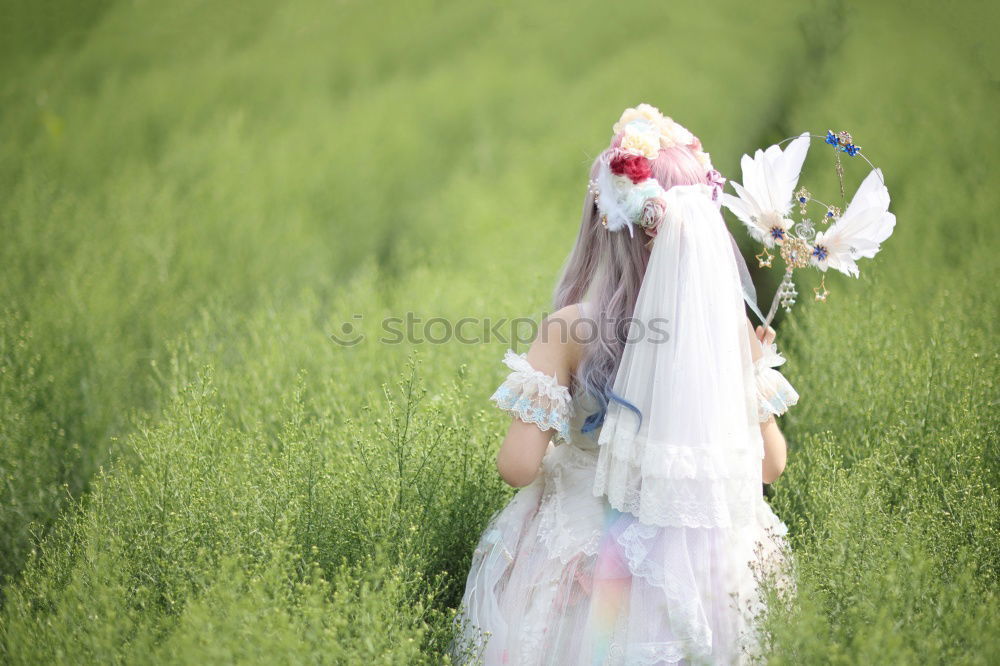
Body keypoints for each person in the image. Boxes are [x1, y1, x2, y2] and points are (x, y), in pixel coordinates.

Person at [451, 104, 798, 665]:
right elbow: (769, 466)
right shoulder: (729, 334)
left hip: (589, 546)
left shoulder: (570, 329)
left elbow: (516, 466)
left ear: (602, 224)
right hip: (698, 548)